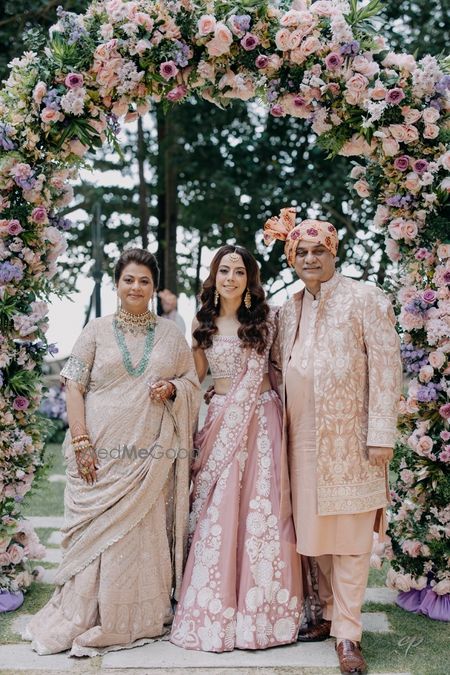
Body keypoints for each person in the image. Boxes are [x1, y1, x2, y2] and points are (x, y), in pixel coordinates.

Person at [24, 248, 200, 656]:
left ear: (155, 288)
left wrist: (173, 389)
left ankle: (130, 619)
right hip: (99, 452)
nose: (136, 287)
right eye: (128, 279)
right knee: (97, 537)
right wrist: (81, 441)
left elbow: (190, 382)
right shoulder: (96, 330)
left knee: (136, 534)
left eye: (144, 281)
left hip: (147, 457)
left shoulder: (171, 336)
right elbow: (73, 385)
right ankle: (85, 615)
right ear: (117, 284)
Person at [265, 210, 402, 675]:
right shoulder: (288, 309)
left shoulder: (366, 298)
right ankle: (326, 613)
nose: (309, 258)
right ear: (291, 259)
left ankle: (348, 633)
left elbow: (387, 367)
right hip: (300, 443)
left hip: (352, 443)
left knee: (350, 539)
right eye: (300, 252)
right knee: (315, 536)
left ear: (333, 252)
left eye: (318, 250)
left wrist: (381, 432)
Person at [170, 245, 302, 652]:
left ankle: (266, 611)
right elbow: (194, 381)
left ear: (249, 280)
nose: (230, 278)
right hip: (222, 420)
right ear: (214, 276)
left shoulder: (266, 320)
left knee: (264, 510)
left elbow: (283, 367)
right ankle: (216, 606)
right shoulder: (202, 321)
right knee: (220, 510)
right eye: (224, 270)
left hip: (263, 421)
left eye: (239, 272)